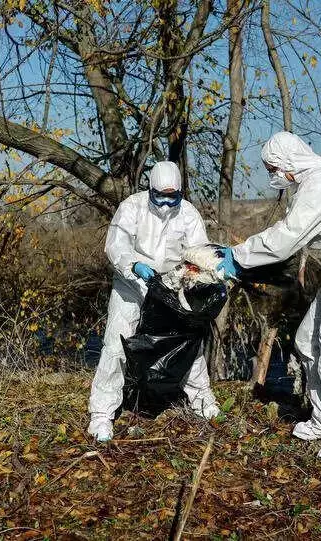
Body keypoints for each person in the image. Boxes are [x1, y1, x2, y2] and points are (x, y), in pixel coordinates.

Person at [217, 132, 321, 460]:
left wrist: (236, 257)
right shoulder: (320, 179)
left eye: (273, 169)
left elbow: (286, 237)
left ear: (289, 164)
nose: (273, 176)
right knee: (308, 344)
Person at [88, 161, 220, 442]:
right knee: (116, 344)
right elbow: (116, 244)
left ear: (181, 192)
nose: (165, 202)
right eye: (160, 195)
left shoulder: (188, 214)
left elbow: (199, 251)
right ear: (149, 189)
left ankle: (202, 400)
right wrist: (133, 264)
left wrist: (200, 271)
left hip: (171, 285)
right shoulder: (132, 207)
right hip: (131, 285)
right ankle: (101, 414)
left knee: (186, 340)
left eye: (172, 196)